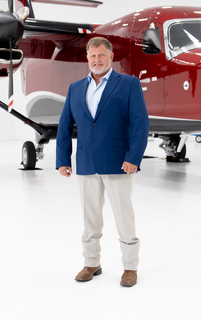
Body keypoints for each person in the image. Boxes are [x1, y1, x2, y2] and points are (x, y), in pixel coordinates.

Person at [56, 37, 150, 287]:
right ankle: (91, 262)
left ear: (111, 58)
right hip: (86, 162)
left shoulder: (129, 84)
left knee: (123, 217)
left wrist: (133, 157)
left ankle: (130, 267)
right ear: (87, 58)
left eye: (102, 56)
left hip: (119, 162)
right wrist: (63, 159)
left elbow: (141, 124)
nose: (97, 60)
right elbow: (65, 126)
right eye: (92, 56)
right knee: (90, 218)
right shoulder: (75, 88)